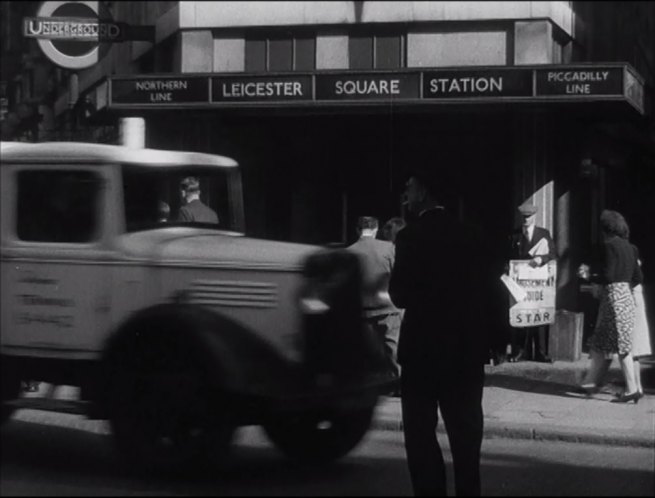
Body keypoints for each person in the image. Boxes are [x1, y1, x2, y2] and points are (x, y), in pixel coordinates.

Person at [389, 170, 494, 496]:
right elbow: (489, 294)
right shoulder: (473, 234)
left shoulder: (410, 236)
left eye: (410, 186)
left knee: (420, 436)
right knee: (466, 437)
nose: (406, 192)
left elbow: (400, 295)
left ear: (423, 191)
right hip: (465, 349)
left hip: (423, 350)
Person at [576, 210, 641, 403]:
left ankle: (632, 389)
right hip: (626, 297)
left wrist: (590, 276)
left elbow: (609, 275)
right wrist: (624, 284)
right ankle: (589, 383)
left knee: (621, 345)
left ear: (605, 229)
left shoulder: (609, 246)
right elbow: (638, 278)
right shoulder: (632, 248)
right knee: (602, 341)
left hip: (612, 298)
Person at [348, 216, 401, 380]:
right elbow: (398, 275)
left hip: (361, 309)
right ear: (376, 229)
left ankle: (368, 384)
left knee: (364, 349)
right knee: (392, 346)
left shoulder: (349, 252)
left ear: (357, 230)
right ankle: (397, 381)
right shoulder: (389, 249)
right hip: (388, 306)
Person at [508, 202, 556, 363]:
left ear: (534, 216)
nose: (526, 220)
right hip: (520, 283)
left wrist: (541, 258)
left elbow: (553, 254)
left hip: (538, 283)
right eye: (523, 217)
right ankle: (520, 351)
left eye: (528, 217)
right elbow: (507, 256)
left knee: (539, 315)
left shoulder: (543, 234)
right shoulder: (514, 235)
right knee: (521, 314)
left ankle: (541, 352)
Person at [631, 246, 651, 397]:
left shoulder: (631, 270)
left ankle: (635, 387)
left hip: (632, 304)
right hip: (637, 302)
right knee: (634, 351)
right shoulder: (635, 267)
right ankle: (637, 386)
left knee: (631, 350)